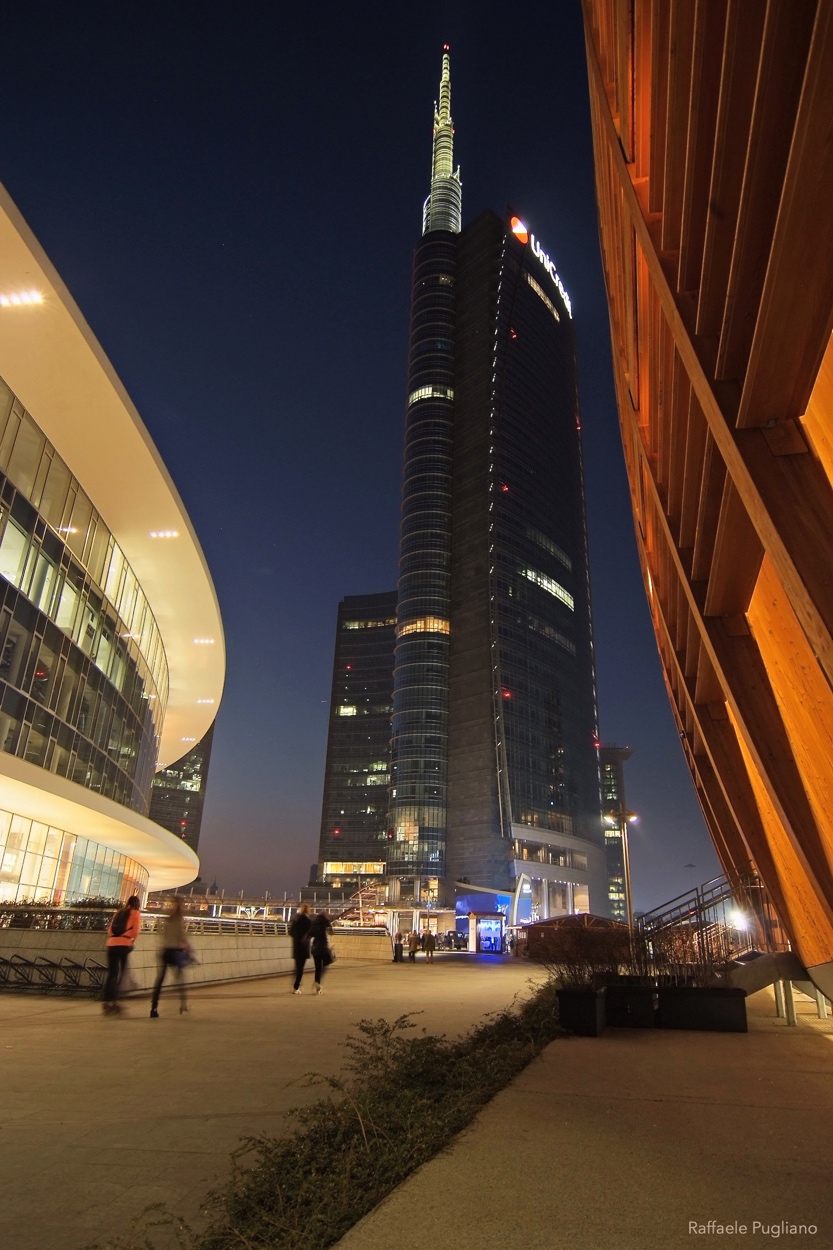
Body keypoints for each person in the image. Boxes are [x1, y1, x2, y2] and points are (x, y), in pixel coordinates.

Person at [149, 897, 192, 1018]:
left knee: (160, 980)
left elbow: (162, 935)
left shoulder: (167, 919)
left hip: (164, 951)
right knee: (180, 979)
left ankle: (154, 1007)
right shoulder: (179, 920)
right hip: (175, 952)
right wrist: (188, 948)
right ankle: (183, 1004)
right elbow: (181, 937)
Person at [102, 895, 142, 1015]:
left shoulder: (118, 913)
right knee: (123, 973)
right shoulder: (135, 913)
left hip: (111, 944)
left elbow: (110, 930)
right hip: (124, 944)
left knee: (112, 973)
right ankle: (115, 1001)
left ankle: (106, 1000)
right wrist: (131, 942)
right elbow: (135, 931)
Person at [309, 911, 334, 994]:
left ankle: (317, 982)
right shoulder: (325, 923)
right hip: (324, 947)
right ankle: (318, 983)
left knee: (318, 968)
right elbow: (332, 932)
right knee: (326, 964)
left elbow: (309, 935)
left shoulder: (314, 924)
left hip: (315, 948)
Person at [289, 903, 312, 993]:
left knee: (297, 967)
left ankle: (297, 985)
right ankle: (296, 986)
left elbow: (290, 933)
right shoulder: (308, 921)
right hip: (304, 947)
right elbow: (310, 933)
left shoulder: (296, 920)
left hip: (296, 946)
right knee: (300, 968)